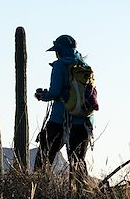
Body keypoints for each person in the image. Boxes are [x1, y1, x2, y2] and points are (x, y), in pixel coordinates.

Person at [33, 34, 93, 179]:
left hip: (59, 121)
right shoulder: (84, 66)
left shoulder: (60, 65)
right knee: (77, 164)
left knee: (43, 159)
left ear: (59, 50)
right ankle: (82, 197)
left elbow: (54, 92)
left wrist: (42, 96)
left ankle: (37, 193)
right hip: (84, 123)